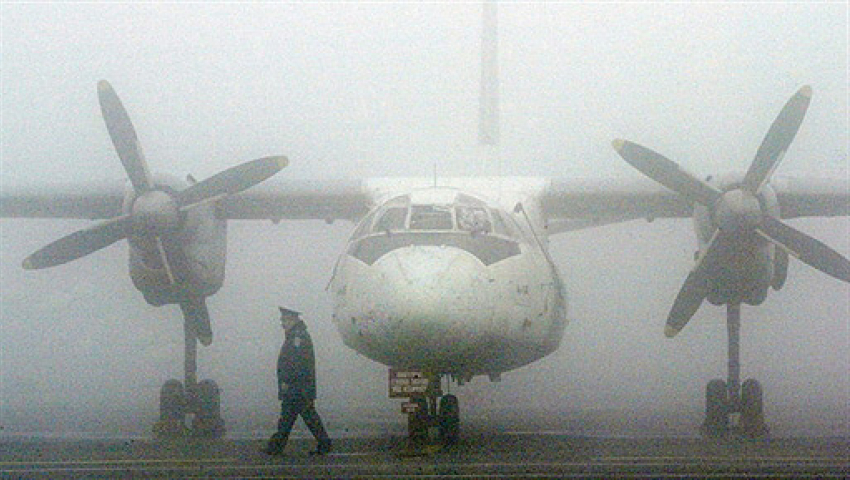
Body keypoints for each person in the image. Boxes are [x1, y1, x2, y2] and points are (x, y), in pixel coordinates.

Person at [264, 307, 332, 456]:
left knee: (298, 417)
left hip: (298, 387)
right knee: (292, 417)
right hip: (298, 387)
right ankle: (276, 446)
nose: (282, 323)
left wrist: (287, 382)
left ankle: (277, 447)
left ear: (293, 320)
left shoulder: (298, 337)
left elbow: (296, 363)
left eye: (285, 320)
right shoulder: (296, 335)